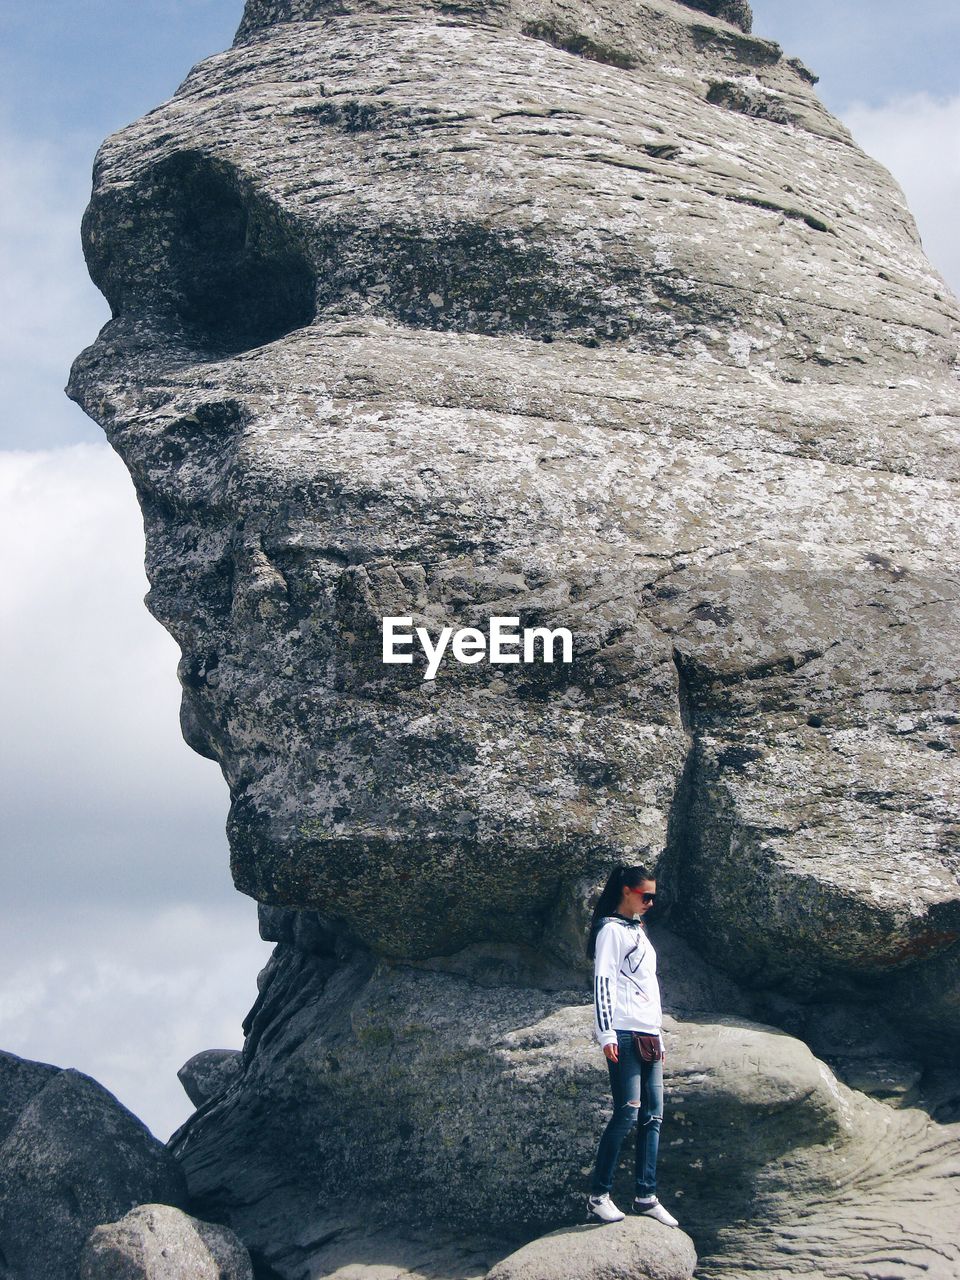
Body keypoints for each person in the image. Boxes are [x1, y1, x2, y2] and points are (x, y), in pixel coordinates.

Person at [585, 864, 679, 1227]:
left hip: (648, 1033)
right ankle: (598, 1196)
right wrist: (606, 1033)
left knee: (653, 1115)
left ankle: (646, 1195)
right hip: (622, 1032)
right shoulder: (611, 930)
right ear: (626, 891)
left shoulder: (637, 929)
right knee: (627, 1112)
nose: (651, 902)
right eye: (646, 896)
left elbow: (648, 985)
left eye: (654, 896)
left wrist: (658, 1032)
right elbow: (603, 982)